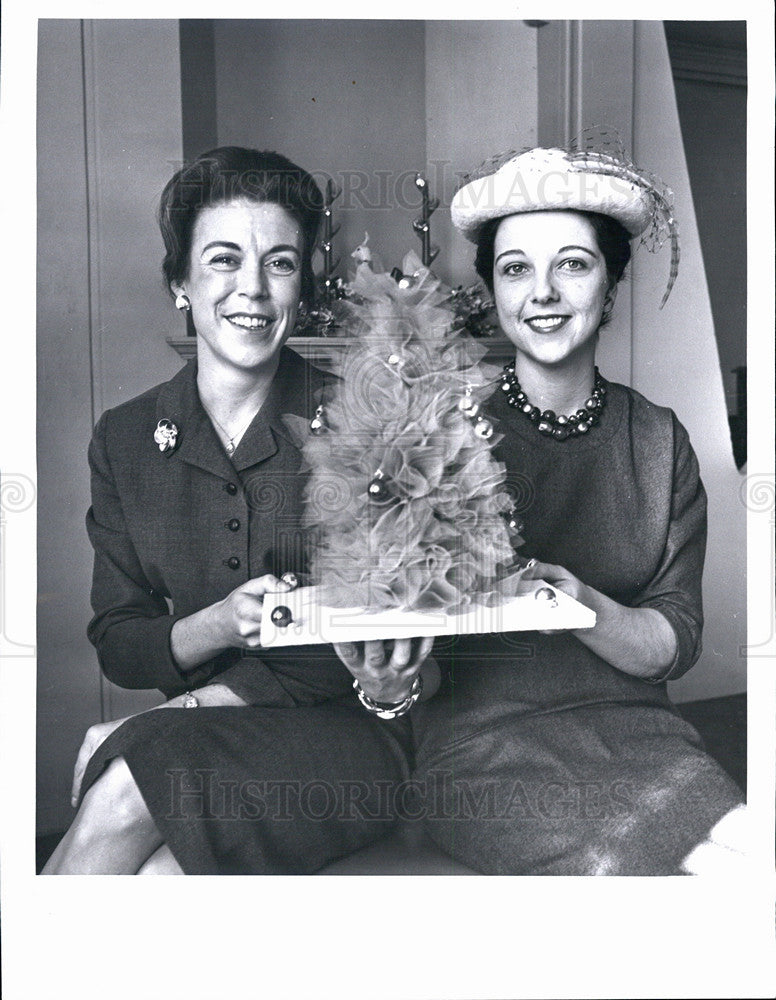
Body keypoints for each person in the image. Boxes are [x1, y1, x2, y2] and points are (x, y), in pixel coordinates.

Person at [42, 146, 435, 875]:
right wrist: (217, 624)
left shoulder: (364, 419)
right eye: (223, 259)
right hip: (200, 749)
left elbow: (374, 634)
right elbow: (121, 640)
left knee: (127, 787)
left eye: (280, 263)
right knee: (158, 878)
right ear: (180, 284)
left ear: (301, 286)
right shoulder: (125, 438)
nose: (252, 289)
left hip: (352, 739)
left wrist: (177, 712)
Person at [410, 144, 747, 875]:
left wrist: (580, 603)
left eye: (572, 263)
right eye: (516, 269)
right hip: (482, 753)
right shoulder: (442, 441)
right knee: (633, 876)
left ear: (610, 286)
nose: (543, 293)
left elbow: (676, 638)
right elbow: (419, 658)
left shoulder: (658, 439)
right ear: (495, 295)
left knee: (755, 861)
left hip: (642, 738)